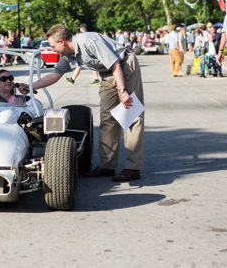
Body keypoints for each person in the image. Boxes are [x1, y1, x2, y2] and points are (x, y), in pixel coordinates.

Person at [17, 24, 145, 182]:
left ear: (62, 42)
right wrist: (30, 87)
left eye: (52, 46)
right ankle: (107, 166)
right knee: (107, 119)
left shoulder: (88, 41)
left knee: (130, 116)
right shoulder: (68, 55)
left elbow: (115, 64)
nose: (51, 50)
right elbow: (55, 75)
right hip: (107, 73)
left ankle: (133, 168)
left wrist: (122, 91)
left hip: (124, 66)